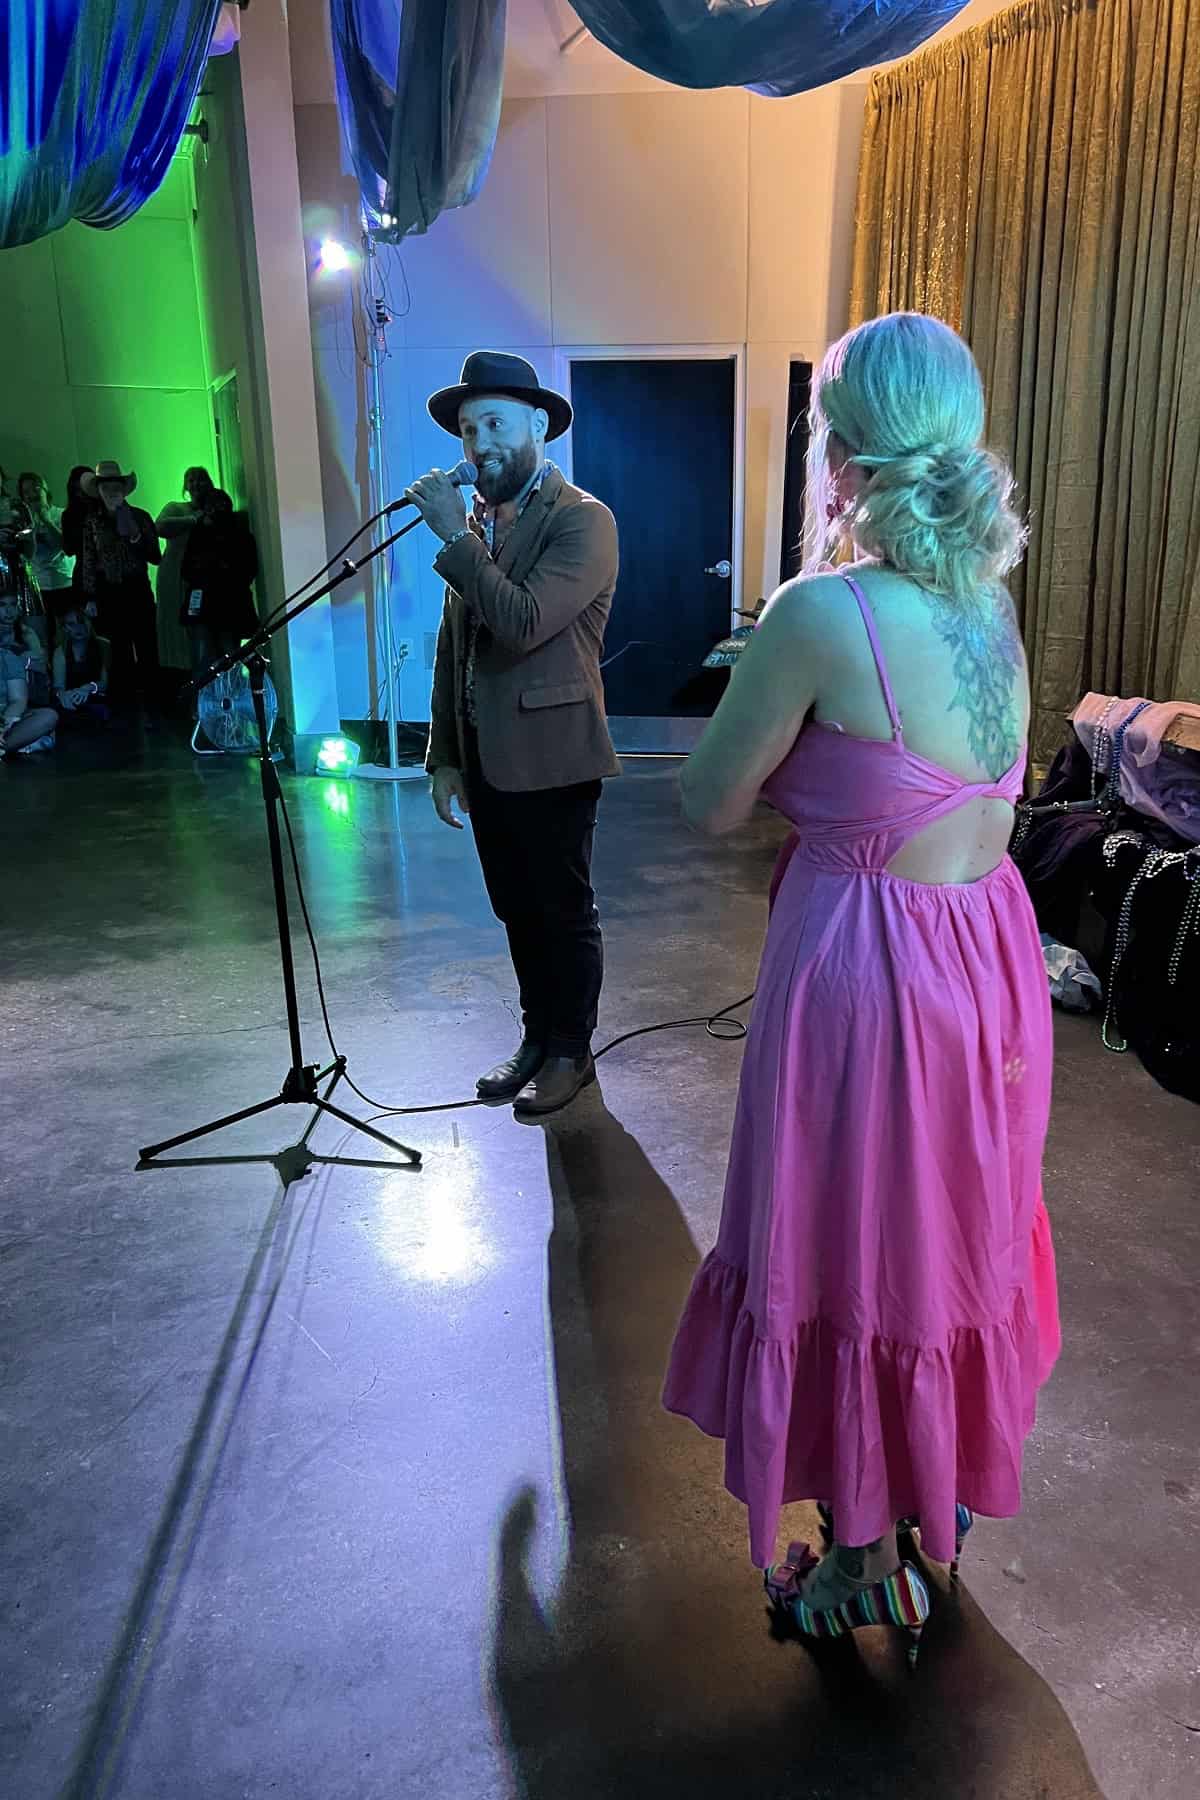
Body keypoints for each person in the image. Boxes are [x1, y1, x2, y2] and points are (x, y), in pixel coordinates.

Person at [661, 313, 1060, 1667]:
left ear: (838, 455)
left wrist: (771, 745)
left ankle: (859, 1566)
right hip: (986, 962)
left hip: (870, 979)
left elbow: (710, 804)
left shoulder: (820, 615)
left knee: (853, 1241)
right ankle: (934, 1500)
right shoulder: (989, 604)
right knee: (951, 1230)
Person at [409, 351, 621, 1119]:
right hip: (487, 757)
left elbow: (525, 623)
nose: (479, 443)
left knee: (562, 910)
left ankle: (572, 1048)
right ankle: (539, 1036)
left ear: (539, 425)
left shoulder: (582, 520)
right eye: (469, 430)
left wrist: (454, 542)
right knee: (515, 909)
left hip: (555, 756)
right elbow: (454, 646)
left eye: (495, 423)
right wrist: (443, 756)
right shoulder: (484, 523)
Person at [77, 461, 161, 709]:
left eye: (116, 486)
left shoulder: (140, 517)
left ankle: (154, 701)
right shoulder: (93, 522)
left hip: (137, 587)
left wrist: (135, 536)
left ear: (124, 489)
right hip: (109, 591)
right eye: (106, 486)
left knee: (147, 645)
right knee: (119, 648)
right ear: (99, 490)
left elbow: (155, 555)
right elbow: (89, 559)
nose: (112, 491)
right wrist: (90, 596)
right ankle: (126, 704)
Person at [179, 487, 258, 677]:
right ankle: (208, 702)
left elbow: (248, 571)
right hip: (208, 606)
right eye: (211, 506)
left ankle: (228, 700)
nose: (215, 510)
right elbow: (187, 570)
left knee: (228, 656)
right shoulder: (198, 535)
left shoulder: (240, 536)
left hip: (229, 606)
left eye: (220, 505)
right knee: (206, 658)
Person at [156, 466, 215, 675]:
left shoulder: (216, 508)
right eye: (191, 480)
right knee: (174, 621)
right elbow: (160, 527)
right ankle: (179, 674)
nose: (196, 483)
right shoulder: (176, 507)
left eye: (201, 479)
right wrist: (193, 519)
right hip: (173, 572)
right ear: (185, 486)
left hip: (202, 577)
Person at [0, 591, 58, 756]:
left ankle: (11, 743)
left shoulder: (24, 633)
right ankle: (19, 744)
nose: (8, 610)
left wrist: (20, 661)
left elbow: (40, 662)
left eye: (12, 605)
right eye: (3, 605)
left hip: (20, 697)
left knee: (46, 717)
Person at [17, 472, 73, 608]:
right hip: (39, 586)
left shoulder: (62, 514)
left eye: (36, 488)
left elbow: (67, 547)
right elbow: (26, 556)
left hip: (65, 582)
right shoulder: (23, 522)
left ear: (45, 490)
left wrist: (47, 521)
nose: (32, 495)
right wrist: (32, 527)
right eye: (26, 492)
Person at [52, 603, 111, 727]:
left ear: (88, 623)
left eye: (81, 622)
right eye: (71, 624)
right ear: (64, 628)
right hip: (71, 699)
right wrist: (62, 695)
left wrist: (88, 687)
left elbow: (104, 683)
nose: (78, 628)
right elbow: (58, 686)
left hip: (96, 698)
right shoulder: (61, 651)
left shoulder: (102, 645)